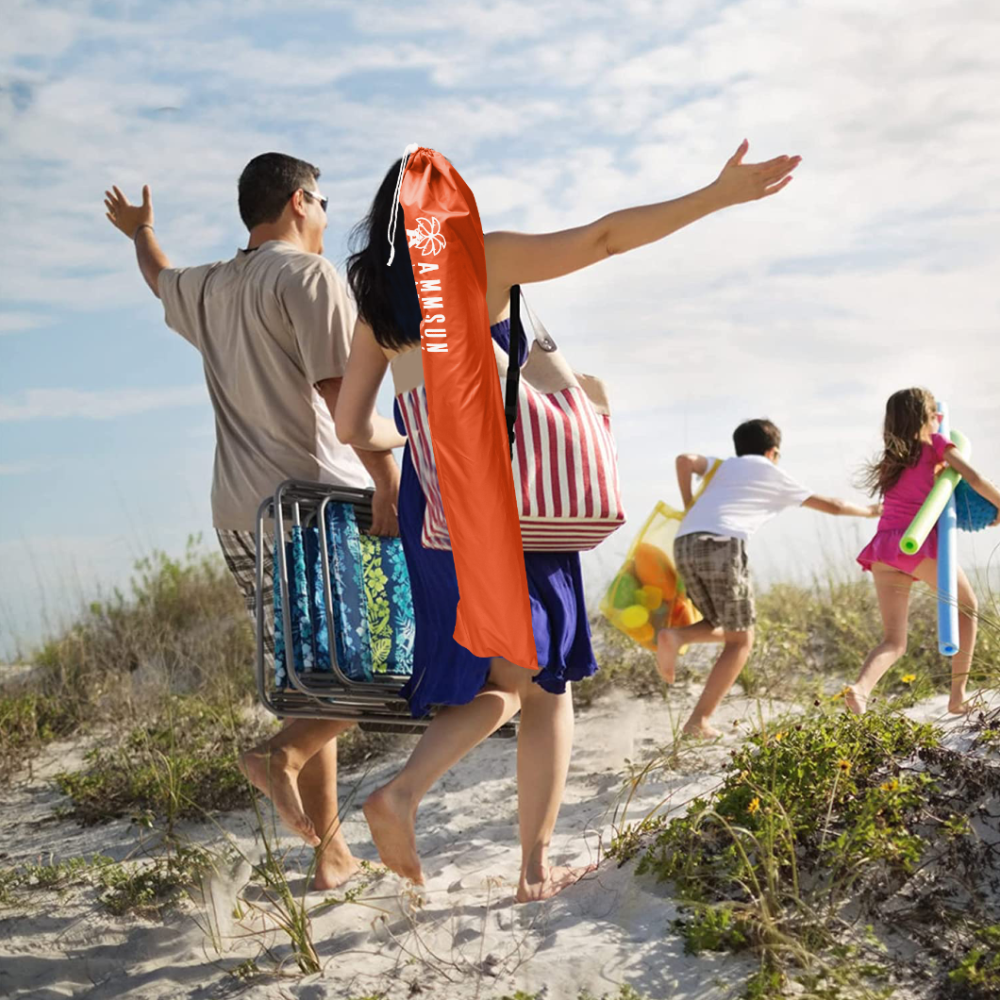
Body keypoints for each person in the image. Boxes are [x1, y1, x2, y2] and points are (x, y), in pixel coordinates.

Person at [335, 140, 802, 901]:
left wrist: (418, 434)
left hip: (439, 511)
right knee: (545, 686)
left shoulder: (379, 306)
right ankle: (529, 869)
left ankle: (405, 793)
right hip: (511, 503)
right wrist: (714, 196)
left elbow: (355, 424)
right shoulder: (479, 257)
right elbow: (604, 237)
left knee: (498, 683)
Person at [103, 153, 403, 890]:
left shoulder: (207, 285)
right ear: (300, 201)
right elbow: (348, 405)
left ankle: (329, 853)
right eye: (325, 202)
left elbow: (156, 277)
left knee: (316, 682)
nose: (329, 217)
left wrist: (141, 232)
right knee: (390, 662)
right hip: (318, 503)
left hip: (243, 514)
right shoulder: (307, 278)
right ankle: (283, 757)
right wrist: (392, 485)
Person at [656, 418, 880, 737]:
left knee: (722, 623)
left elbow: (684, 460)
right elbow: (834, 505)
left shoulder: (723, 466)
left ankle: (679, 638)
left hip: (685, 543)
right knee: (742, 641)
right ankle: (697, 720)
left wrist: (689, 503)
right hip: (723, 544)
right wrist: (870, 511)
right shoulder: (770, 471)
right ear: (773, 452)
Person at [846, 387, 1000, 715]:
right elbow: (973, 477)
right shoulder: (935, 445)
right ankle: (957, 695)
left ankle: (860, 690)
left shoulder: (893, 458)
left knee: (894, 641)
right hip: (916, 545)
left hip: (885, 549)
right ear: (928, 419)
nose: (939, 421)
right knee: (969, 608)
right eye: (935, 416)